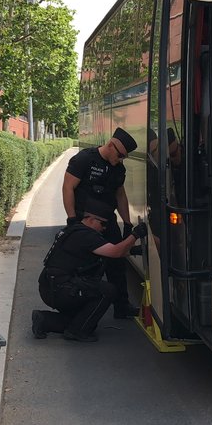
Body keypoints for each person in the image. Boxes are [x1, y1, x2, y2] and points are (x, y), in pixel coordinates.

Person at [32, 203, 148, 342]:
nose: (104, 228)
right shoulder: (86, 236)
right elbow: (115, 251)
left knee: (85, 320)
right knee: (107, 290)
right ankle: (77, 332)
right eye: (103, 224)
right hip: (61, 289)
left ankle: (45, 320)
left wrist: (134, 250)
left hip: (51, 286)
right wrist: (135, 235)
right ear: (91, 219)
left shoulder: (74, 230)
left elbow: (108, 252)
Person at [62, 127, 140, 318]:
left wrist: (127, 223)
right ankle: (77, 307)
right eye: (120, 155)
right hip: (83, 221)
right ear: (111, 145)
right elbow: (68, 187)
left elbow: (120, 195)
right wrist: (72, 219)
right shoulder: (84, 160)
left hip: (107, 221)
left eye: (124, 157)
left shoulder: (118, 169)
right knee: (83, 265)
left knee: (117, 262)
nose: (121, 160)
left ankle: (121, 306)